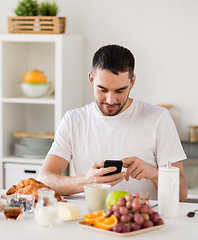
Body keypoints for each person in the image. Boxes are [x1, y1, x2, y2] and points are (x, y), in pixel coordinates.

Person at [38, 44, 188, 201]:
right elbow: (44, 180)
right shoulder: (73, 120)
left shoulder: (158, 118)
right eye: (102, 90)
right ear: (91, 79)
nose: (110, 100)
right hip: (89, 219)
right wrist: (86, 181)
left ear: (132, 82)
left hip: (142, 221)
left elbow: (182, 194)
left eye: (120, 91)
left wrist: (154, 174)